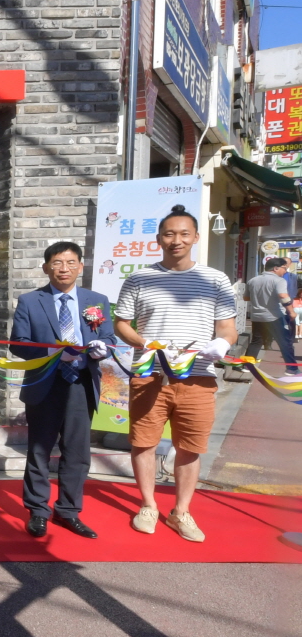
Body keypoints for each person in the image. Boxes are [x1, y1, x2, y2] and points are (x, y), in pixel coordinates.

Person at [115, 205, 238, 543]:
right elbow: (121, 323)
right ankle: (148, 505)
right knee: (143, 443)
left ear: (196, 237)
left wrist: (222, 343)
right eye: (169, 234)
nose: (176, 240)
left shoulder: (216, 279)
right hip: (149, 374)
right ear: (158, 239)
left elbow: (228, 327)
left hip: (198, 376)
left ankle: (181, 511)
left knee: (190, 447)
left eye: (184, 234)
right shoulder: (139, 278)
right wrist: (145, 343)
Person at [9, 242, 117, 539]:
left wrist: (103, 348)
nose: (64, 269)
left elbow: (108, 337)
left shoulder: (97, 300)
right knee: (39, 450)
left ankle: (68, 510)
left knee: (77, 451)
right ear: (46, 267)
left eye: (70, 262)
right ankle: (37, 511)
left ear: (81, 266)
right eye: (57, 263)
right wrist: (53, 353)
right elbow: (18, 343)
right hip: (45, 382)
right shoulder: (31, 301)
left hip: (81, 383)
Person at [245, 257, 299, 375]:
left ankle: (247, 366)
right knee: (285, 342)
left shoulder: (253, 280)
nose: (285, 271)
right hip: (275, 316)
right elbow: (283, 296)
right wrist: (291, 312)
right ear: (276, 268)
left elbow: (246, 297)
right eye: (284, 268)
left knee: (256, 341)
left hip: (257, 316)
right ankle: (292, 368)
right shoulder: (279, 281)